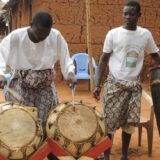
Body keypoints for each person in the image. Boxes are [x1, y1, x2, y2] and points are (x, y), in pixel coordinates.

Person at [0, 11, 76, 160]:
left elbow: (65, 56)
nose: (41, 37)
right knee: (22, 123)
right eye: (38, 34)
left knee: (48, 122)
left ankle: (49, 153)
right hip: (21, 87)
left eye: (45, 35)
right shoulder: (15, 37)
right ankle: (23, 154)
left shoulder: (55, 36)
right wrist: (1, 75)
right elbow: (1, 54)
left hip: (45, 87)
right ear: (31, 25)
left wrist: (70, 73)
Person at [94, 1, 160, 160]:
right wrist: (97, 84)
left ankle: (124, 155)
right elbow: (103, 60)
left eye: (131, 14)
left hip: (133, 88)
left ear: (139, 15)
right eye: (125, 14)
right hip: (114, 85)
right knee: (109, 124)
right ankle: (107, 155)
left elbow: (156, 57)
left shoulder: (145, 35)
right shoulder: (113, 34)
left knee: (129, 125)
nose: (127, 17)